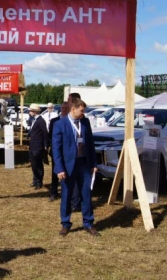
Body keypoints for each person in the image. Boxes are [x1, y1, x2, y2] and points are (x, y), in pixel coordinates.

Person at [52, 98, 99, 237]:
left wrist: (93, 164)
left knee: (86, 195)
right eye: (82, 110)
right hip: (67, 167)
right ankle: (65, 224)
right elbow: (56, 148)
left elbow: (90, 144)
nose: (84, 113)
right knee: (66, 195)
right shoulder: (60, 124)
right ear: (73, 109)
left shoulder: (85, 122)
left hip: (84, 164)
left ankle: (88, 223)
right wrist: (59, 168)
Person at [48, 101, 70, 202]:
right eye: (63, 108)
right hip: (56, 151)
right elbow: (50, 136)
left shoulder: (71, 121)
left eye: (66, 108)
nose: (64, 110)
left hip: (68, 152)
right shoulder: (54, 121)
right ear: (60, 109)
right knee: (55, 172)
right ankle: (53, 192)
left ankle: (68, 193)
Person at [28, 103, 48, 189]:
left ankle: (39, 182)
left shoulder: (41, 121)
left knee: (38, 165)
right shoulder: (34, 120)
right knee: (33, 164)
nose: (29, 112)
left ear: (34, 111)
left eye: (30, 111)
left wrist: (46, 145)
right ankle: (35, 180)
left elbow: (45, 133)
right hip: (32, 145)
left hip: (38, 146)